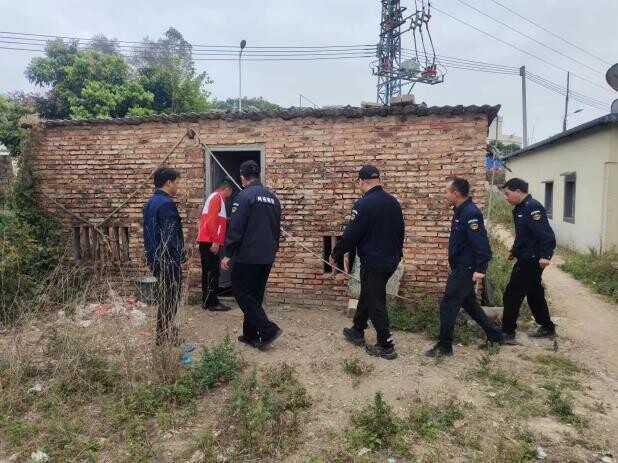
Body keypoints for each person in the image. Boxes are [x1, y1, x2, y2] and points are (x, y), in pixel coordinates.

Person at [331, 165, 405, 360]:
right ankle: (357, 330)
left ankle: (386, 345)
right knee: (369, 292)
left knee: (376, 301)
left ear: (362, 181)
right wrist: (398, 255)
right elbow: (400, 231)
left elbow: (351, 235)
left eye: (358, 182)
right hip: (391, 260)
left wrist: (336, 253)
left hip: (374, 261)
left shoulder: (363, 204)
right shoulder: (393, 202)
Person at [426, 177, 504, 357]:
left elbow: (482, 245)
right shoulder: (461, 211)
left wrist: (480, 269)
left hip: (465, 268)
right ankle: (495, 336)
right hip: (461, 266)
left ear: (456, 193)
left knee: (448, 305)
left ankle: (445, 346)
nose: (445, 195)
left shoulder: (470, 213)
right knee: (469, 303)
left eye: (446, 192)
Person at [220, 160, 283, 350]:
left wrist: (228, 253)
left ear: (243, 178)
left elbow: (236, 227)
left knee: (240, 291)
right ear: (259, 175)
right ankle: (250, 335)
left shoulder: (244, 196)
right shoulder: (273, 198)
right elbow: (276, 229)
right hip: (267, 256)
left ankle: (267, 329)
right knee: (254, 295)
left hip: (248, 256)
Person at [501, 178, 557, 343]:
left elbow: (547, 235)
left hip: (531, 259)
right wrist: (514, 251)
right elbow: (523, 235)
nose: (506, 197)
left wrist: (546, 256)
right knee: (534, 293)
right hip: (526, 256)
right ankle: (547, 327)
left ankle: (507, 332)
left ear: (518, 191)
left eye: (508, 194)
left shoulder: (532, 207)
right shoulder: (520, 208)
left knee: (512, 294)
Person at [143, 167, 186, 346]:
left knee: (165, 298)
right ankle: (164, 338)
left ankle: (164, 335)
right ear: (169, 183)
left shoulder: (150, 203)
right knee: (171, 298)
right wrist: (181, 256)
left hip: (155, 258)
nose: (177, 186)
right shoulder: (166, 204)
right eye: (176, 183)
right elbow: (171, 235)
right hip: (167, 259)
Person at [197, 180, 235, 311]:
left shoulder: (215, 197)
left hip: (207, 241)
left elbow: (216, 219)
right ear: (227, 189)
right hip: (210, 241)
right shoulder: (217, 198)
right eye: (231, 191)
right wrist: (216, 240)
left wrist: (227, 221)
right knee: (213, 272)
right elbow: (212, 220)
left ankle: (207, 301)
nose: (231, 194)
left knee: (208, 272)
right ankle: (212, 303)